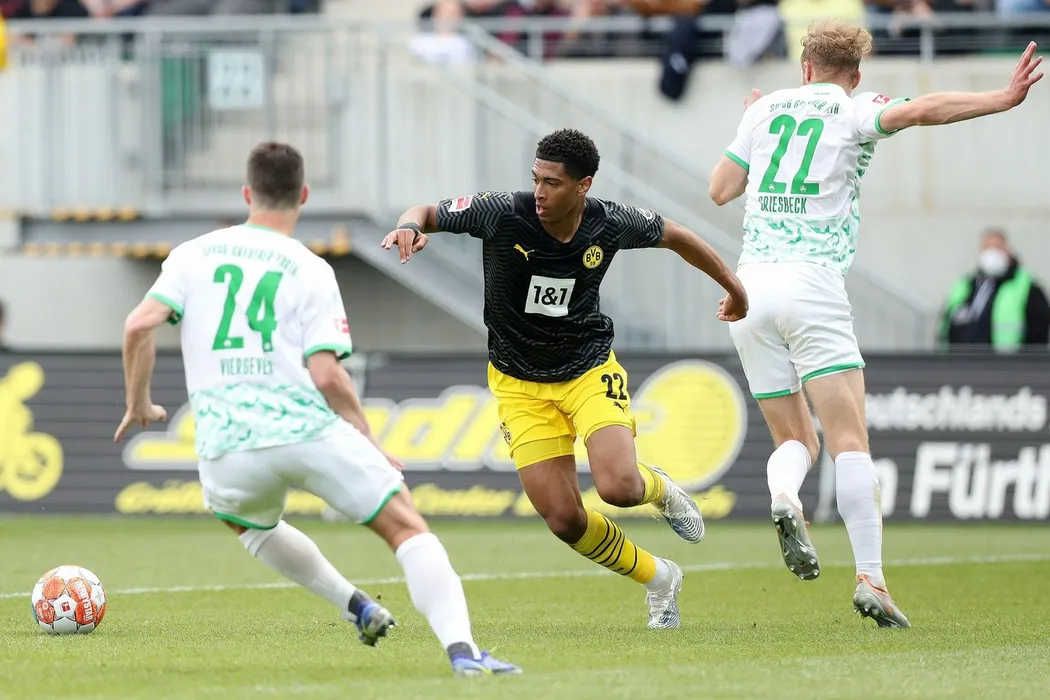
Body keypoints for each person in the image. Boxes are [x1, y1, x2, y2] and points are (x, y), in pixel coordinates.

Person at [113, 142, 519, 677]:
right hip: (302, 430)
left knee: (247, 523)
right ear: (303, 195)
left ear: (247, 194)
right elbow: (327, 374)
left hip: (227, 443)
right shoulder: (310, 268)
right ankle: (463, 653)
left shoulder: (191, 255)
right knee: (406, 528)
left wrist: (139, 401)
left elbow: (138, 326)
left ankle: (355, 605)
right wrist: (366, 435)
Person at [707, 21, 1043, 628]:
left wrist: (749, 128)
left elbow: (719, 190)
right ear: (855, 74)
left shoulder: (764, 111)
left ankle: (784, 494)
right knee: (849, 442)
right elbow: (923, 110)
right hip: (812, 286)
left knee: (794, 442)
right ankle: (871, 578)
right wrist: (1000, 98)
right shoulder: (856, 108)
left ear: (805, 67)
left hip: (749, 288)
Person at [381, 128, 748, 630]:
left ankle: (659, 489)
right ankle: (660, 578)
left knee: (619, 487)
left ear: (583, 186)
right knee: (564, 519)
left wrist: (736, 289)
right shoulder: (500, 213)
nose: (539, 192)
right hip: (518, 384)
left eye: (551, 183)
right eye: (535, 179)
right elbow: (425, 211)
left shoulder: (609, 222)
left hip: (587, 369)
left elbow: (678, 236)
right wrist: (407, 226)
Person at [939, 227, 1050, 352]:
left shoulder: (1026, 287)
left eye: (997, 247)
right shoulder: (965, 286)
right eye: (987, 248)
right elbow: (946, 324)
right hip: (959, 360)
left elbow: (1038, 334)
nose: (991, 254)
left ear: (1007, 251)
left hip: (1002, 362)